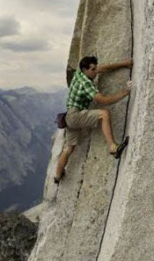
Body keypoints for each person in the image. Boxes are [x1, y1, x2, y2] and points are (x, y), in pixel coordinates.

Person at [54, 55, 132, 184]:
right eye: (93, 70)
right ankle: (113, 147)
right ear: (85, 70)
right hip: (75, 115)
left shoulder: (80, 73)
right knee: (104, 114)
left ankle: (57, 175)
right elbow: (104, 100)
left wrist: (123, 64)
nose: (96, 72)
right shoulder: (86, 83)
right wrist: (124, 92)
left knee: (69, 149)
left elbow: (103, 68)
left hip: (70, 117)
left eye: (95, 68)